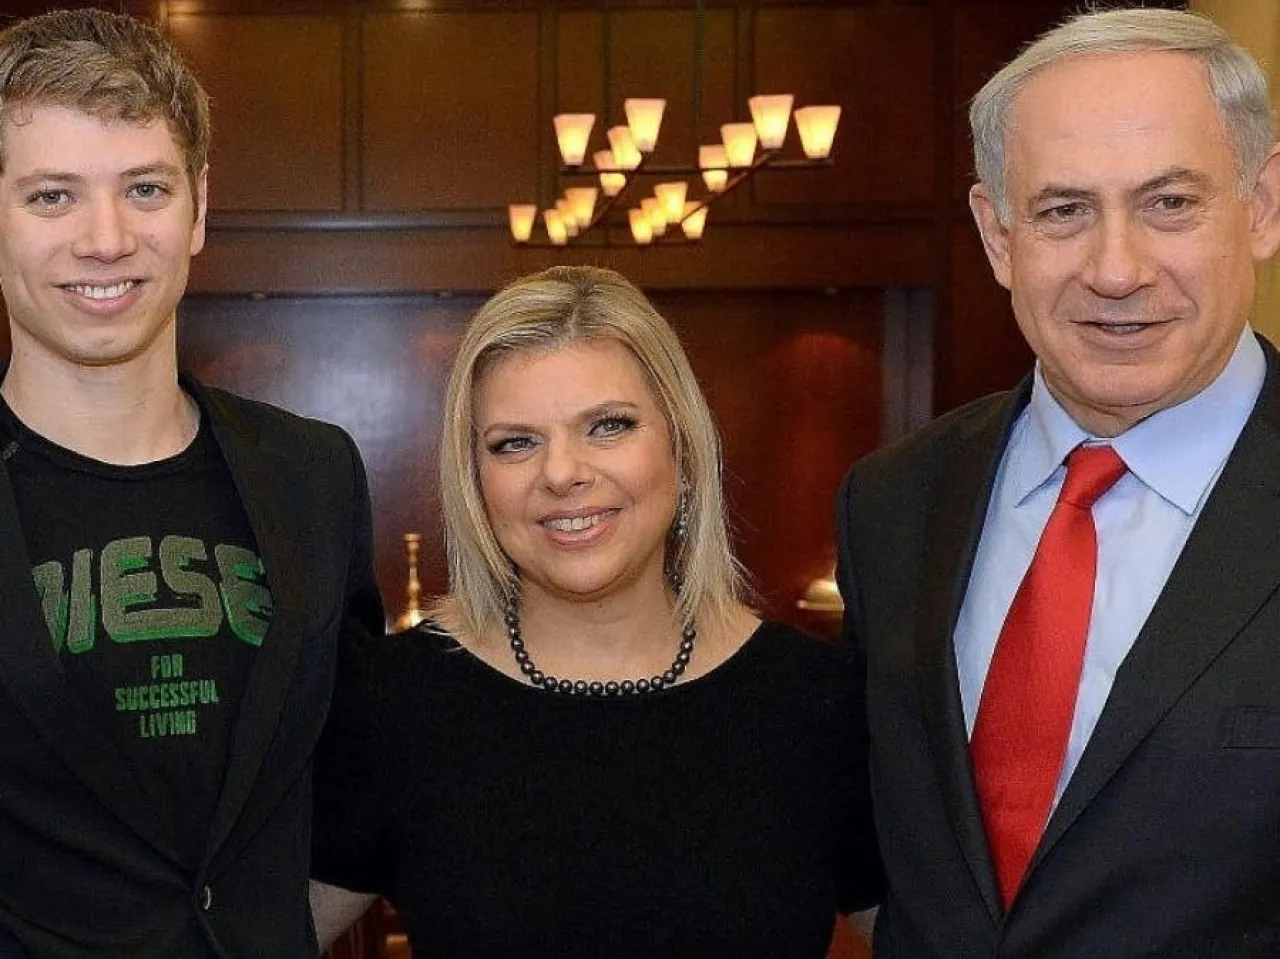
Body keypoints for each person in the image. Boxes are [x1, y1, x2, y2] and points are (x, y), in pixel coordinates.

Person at [835, 6, 1280, 957]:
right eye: (1063, 211)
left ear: (1263, 205)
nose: (1116, 269)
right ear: (998, 237)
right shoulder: (892, 503)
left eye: (1170, 202)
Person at [309, 265, 882, 957]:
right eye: (515, 442)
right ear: (475, 480)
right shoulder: (393, 700)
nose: (561, 473)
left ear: (682, 448)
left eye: (608, 426)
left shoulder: (819, 702)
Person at [0, 9, 383, 957]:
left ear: (198, 207)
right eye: (52, 196)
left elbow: (359, 784)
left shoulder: (314, 474)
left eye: (145, 188)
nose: (106, 238)